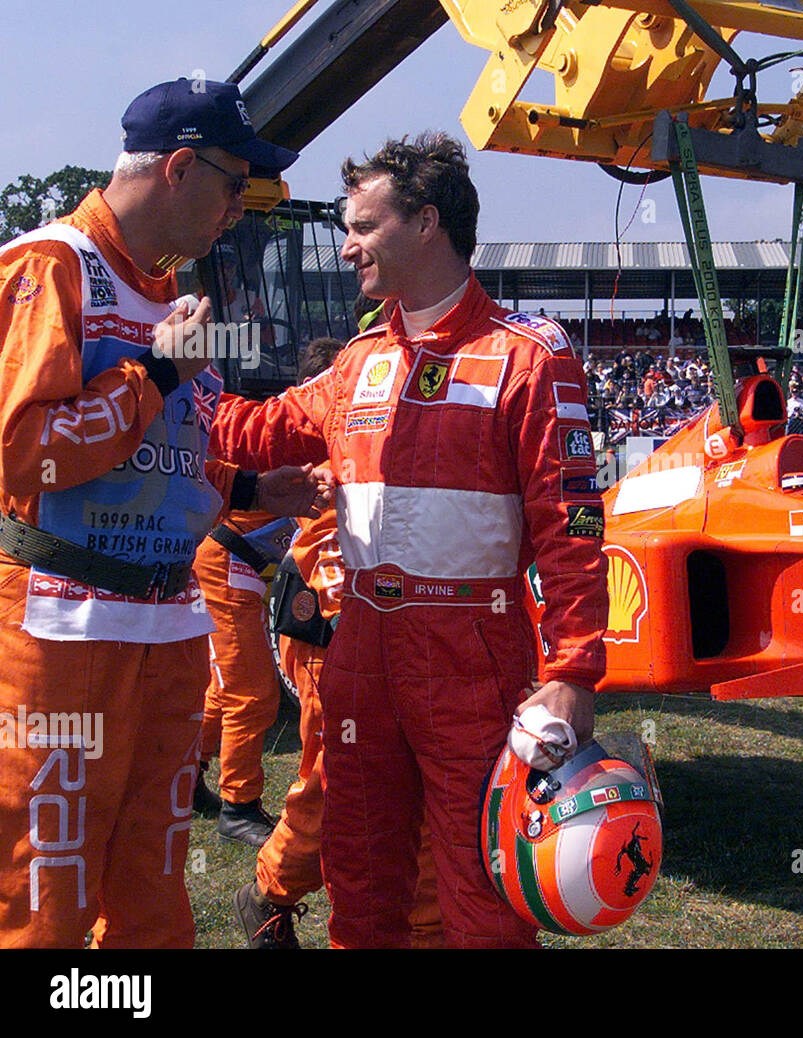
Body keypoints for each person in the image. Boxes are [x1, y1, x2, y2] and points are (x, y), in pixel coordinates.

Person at [209, 132, 608, 948]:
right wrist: (163, 373)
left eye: (363, 225)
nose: (347, 245)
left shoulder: (529, 358)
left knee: (480, 886)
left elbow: (575, 528)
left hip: (470, 648)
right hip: (358, 645)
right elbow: (253, 432)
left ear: (427, 222)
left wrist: (573, 673)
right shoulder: (356, 360)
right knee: (360, 877)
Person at [0, 77, 307, 947]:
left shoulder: (176, 296)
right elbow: (22, 453)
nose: (239, 211)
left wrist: (248, 492)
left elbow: (166, 460)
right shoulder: (49, 266)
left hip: (169, 628)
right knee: (47, 881)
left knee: (151, 882)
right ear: (179, 168)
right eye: (234, 185)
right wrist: (157, 375)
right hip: (62, 627)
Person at [233, 337, 443, 948]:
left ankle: (422, 932)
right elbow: (323, 550)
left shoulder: (400, 426)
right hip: (335, 635)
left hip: (388, 634)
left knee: (416, 792)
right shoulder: (334, 444)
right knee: (338, 784)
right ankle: (269, 894)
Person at [194, 504, 297, 845]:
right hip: (228, 563)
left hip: (230, 560)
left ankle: (182, 781)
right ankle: (239, 809)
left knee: (225, 691)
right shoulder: (333, 459)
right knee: (251, 696)